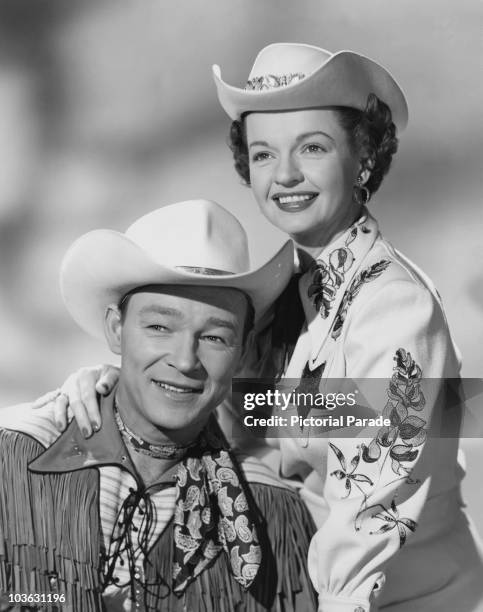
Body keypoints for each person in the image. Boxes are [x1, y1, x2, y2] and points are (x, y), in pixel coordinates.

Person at [35, 44, 483, 611]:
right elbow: (217, 411)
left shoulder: (395, 310)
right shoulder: (281, 297)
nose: (285, 174)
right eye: (264, 155)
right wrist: (112, 390)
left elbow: (372, 509)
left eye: (313, 148)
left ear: (364, 157)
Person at [0, 199, 318, 612]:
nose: (185, 360)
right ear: (117, 330)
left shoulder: (270, 511)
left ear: (241, 351)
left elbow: (402, 421)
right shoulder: (14, 455)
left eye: (216, 337)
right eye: (159, 327)